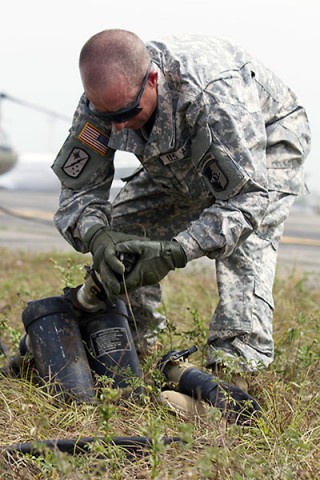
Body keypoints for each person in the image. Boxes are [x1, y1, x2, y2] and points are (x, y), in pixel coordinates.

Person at [52, 29, 311, 384]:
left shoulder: (214, 96)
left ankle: (234, 376)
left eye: (128, 112)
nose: (120, 125)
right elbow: (78, 190)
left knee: (244, 247)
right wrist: (97, 236)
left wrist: (176, 250)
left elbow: (247, 199)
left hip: (265, 147)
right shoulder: (102, 104)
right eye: (108, 115)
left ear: (153, 79)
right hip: (182, 159)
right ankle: (136, 345)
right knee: (125, 229)